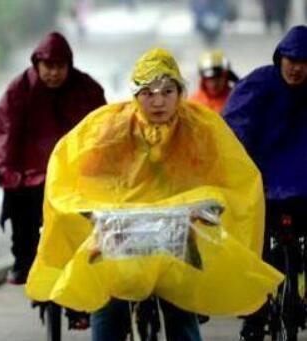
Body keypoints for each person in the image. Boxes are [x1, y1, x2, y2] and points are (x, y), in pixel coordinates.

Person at [25, 48, 283, 341]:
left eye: (167, 91)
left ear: (180, 92)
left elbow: (227, 177)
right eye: (148, 93)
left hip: (177, 234)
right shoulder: (110, 126)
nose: (158, 101)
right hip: (122, 231)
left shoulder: (201, 126)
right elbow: (81, 174)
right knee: (110, 303)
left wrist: (211, 204)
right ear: (135, 94)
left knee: (180, 308)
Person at [0, 31, 106, 285]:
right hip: (29, 175)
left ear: (69, 65)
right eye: (48, 66)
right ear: (37, 64)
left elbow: (101, 130)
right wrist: (4, 169)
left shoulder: (86, 89)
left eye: (59, 67)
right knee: (19, 209)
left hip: (73, 176)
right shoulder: (20, 89)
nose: (53, 73)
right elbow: (4, 130)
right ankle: (23, 261)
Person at [222, 25, 307, 341]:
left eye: (303, 61)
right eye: (290, 60)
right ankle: (255, 315)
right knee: (252, 250)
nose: (296, 68)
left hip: (299, 189)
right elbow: (235, 127)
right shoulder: (257, 85)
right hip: (263, 186)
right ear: (279, 59)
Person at [190, 50, 239, 114]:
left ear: (226, 76)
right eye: (209, 79)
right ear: (203, 79)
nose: (214, 84)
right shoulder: (193, 104)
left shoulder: (237, 99)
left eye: (218, 77)